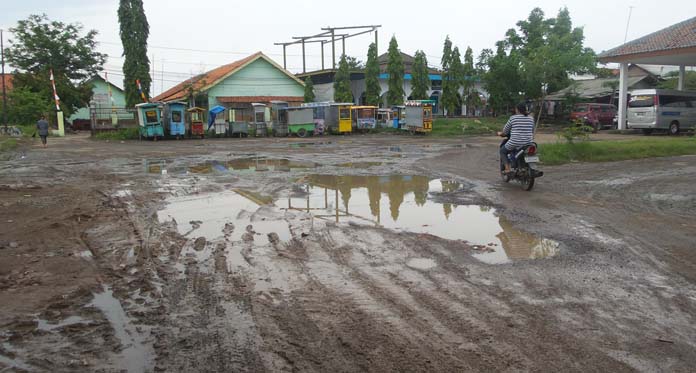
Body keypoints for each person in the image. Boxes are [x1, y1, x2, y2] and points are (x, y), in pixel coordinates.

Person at [497, 103, 535, 174]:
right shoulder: (531, 118)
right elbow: (532, 130)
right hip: (529, 143)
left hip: (515, 142)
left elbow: (505, 132)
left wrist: (500, 133)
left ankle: (507, 168)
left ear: (517, 110)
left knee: (502, 151)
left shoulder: (513, 118)